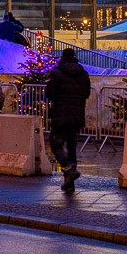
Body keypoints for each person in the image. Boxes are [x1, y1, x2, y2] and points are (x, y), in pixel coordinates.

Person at [45, 48, 91, 193]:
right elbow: (87, 93)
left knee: (55, 144)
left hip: (60, 113)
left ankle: (68, 168)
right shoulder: (83, 74)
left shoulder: (57, 73)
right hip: (77, 114)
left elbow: (49, 93)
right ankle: (70, 183)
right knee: (72, 146)